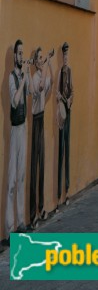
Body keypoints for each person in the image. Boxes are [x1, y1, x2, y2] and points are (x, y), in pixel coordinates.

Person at [5, 40, 31, 240]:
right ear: (14, 56)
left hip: (24, 127)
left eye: (23, 53)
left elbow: (30, 93)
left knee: (21, 176)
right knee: (12, 181)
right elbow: (14, 101)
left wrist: (29, 74)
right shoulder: (11, 78)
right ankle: (9, 227)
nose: (22, 56)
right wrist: (23, 79)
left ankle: (21, 222)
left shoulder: (23, 76)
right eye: (19, 53)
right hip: (15, 130)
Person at [29, 47, 54, 228]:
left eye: (42, 58)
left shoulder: (43, 74)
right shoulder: (34, 78)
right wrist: (47, 65)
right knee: (34, 168)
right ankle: (32, 215)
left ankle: (42, 207)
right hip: (36, 120)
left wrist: (50, 63)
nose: (41, 60)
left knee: (42, 165)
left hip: (42, 118)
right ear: (35, 61)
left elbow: (50, 84)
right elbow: (40, 87)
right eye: (39, 58)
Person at [57, 42, 74, 209]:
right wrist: (61, 99)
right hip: (61, 116)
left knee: (67, 150)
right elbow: (56, 92)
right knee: (60, 152)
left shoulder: (70, 72)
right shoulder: (59, 73)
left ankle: (67, 190)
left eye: (68, 56)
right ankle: (57, 194)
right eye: (64, 56)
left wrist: (69, 100)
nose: (66, 59)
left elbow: (73, 91)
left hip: (68, 113)